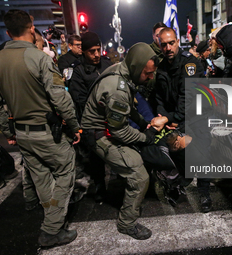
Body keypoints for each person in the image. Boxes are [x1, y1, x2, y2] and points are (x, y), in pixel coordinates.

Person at [0, 9, 81, 247]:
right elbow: (59, 98)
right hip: (45, 132)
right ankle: (52, 229)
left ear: (7, 31)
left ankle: (52, 216)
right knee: (65, 171)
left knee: (42, 178)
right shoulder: (39, 58)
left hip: (21, 133)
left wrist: (9, 130)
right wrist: (74, 126)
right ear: (31, 28)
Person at [81, 42, 167, 240]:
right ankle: (126, 223)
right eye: (147, 73)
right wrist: (147, 137)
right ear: (137, 68)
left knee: (134, 158)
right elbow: (119, 131)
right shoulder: (117, 88)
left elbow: (130, 108)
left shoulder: (123, 70)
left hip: (102, 127)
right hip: (98, 134)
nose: (150, 77)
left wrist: (144, 123)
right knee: (139, 175)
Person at [156, 27, 212, 213]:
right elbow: (159, 98)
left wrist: (169, 118)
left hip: (197, 116)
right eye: (164, 45)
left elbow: (187, 97)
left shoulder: (191, 63)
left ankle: (204, 193)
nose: (168, 48)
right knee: (175, 151)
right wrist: (164, 117)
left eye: (171, 43)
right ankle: (179, 183)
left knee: (203, 153)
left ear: (178, 42)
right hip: (175, 119)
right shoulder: (161, 66)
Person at [68, 31, 113, 202]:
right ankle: (100, 187)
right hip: (93, 122)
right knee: (96, 159)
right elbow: (78, 98)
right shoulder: (78, 71)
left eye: (98, 50)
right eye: (91, 51)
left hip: (112, 118)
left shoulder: (107, 64)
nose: (96, 55)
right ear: (84, 52)